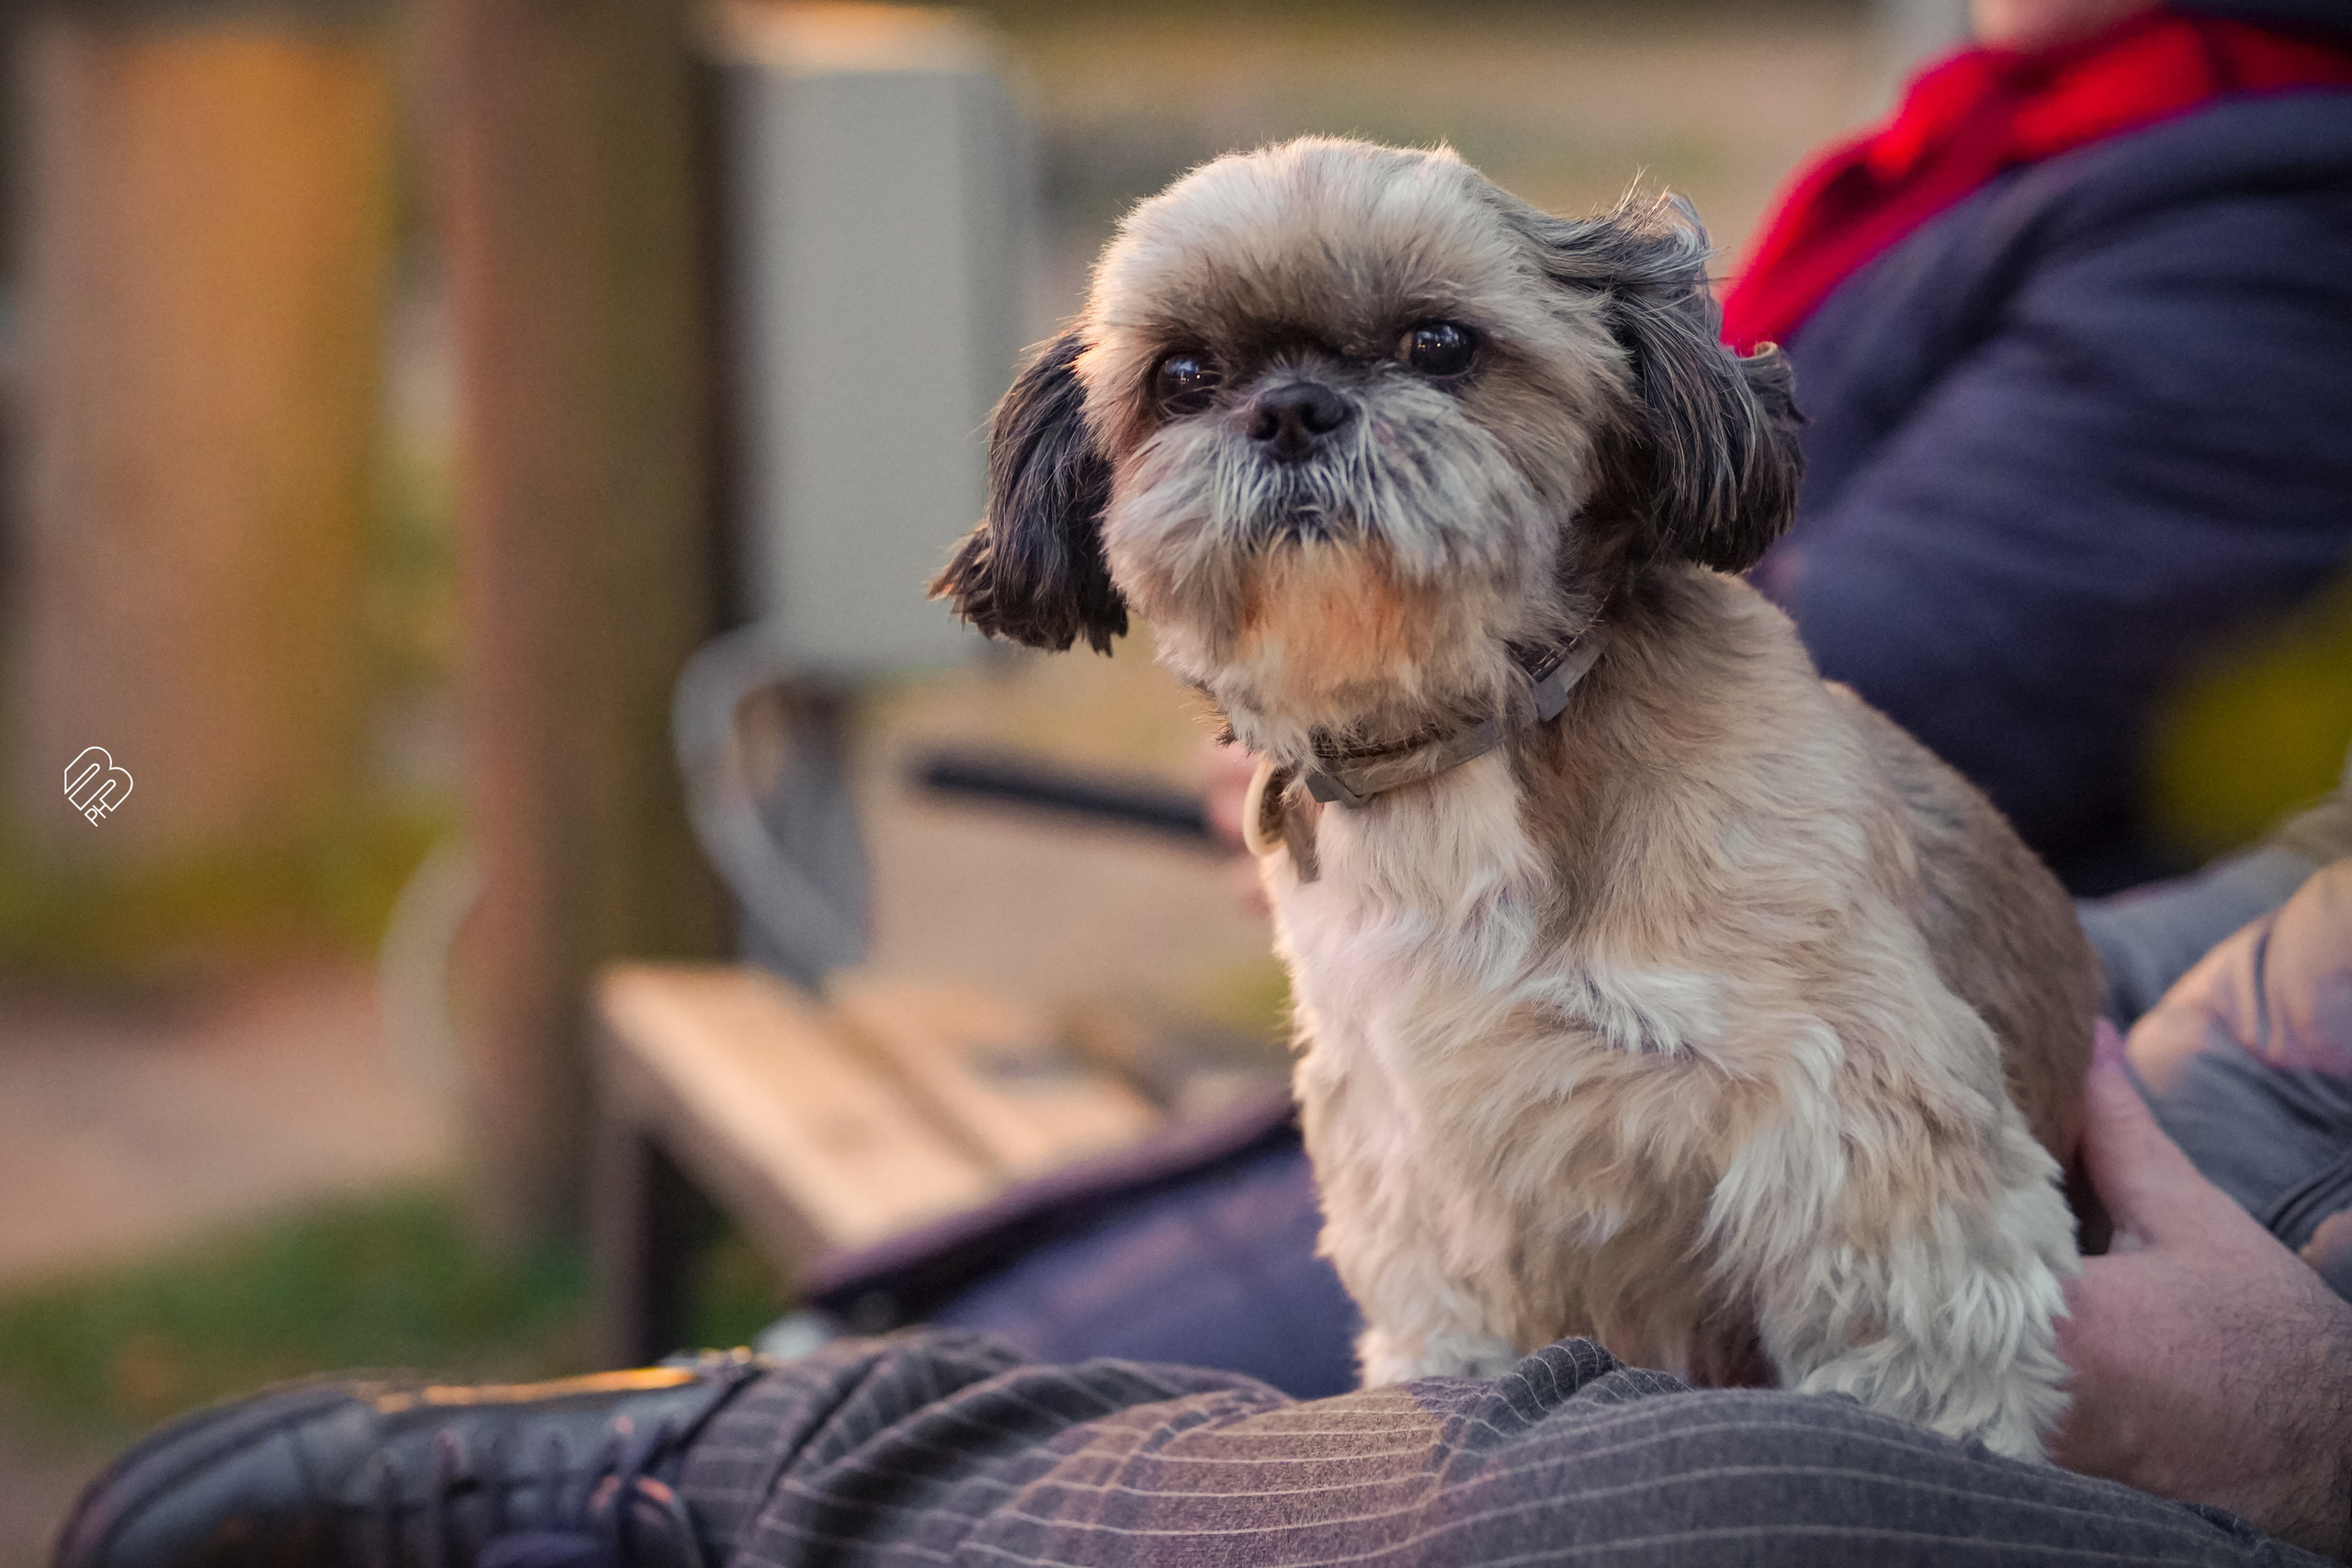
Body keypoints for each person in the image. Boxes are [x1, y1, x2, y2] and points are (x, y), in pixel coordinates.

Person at [52, 860, 2352, 1564]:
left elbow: (1898, 641)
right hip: (2030, 1111)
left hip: (2131, 1344)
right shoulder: (2013, 159)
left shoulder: (2207, 205)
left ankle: (728, 1477)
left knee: (1707, 1512)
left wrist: (2309, 1428)